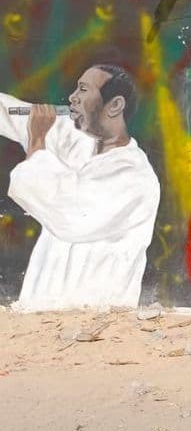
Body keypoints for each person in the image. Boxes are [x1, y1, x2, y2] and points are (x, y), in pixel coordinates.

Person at [0, 64, 160, 311]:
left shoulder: (135, 177)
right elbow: (11, 114)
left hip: (94, 326)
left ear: (115, 105)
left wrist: (37, 141)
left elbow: (67, 214)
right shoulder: (76, 141)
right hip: (39, 317)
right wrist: (35, 125)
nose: (72, 97)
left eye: (83, 90)